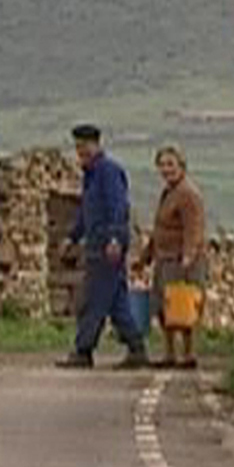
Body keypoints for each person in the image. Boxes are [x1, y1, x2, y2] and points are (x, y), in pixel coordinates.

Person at [56, 123, 149, 370]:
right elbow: (88, 213)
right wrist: (73, 237)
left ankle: (83, 350)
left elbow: (117, 208)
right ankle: (136, 346)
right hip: (98, 244)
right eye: (77, 148)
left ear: (97, 145)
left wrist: (115, 239)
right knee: (116, 301)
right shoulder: (90, 175)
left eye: (84, 146)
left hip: (107, 246)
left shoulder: (108, 172)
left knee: (94, 299)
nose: (80, 152)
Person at [137, 145, 207, 369]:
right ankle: (170, 354)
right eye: (163, 165)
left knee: (184, 307)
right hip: (165, 258)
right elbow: (160, 230)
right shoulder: (168, 193)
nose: (166, 169)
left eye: (171, 164)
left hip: (180, 259)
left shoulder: (187, 194)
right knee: (164, 307)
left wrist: (188, 256)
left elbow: (193, 228)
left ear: (182, 166)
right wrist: (145, 257)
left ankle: (189, 354)